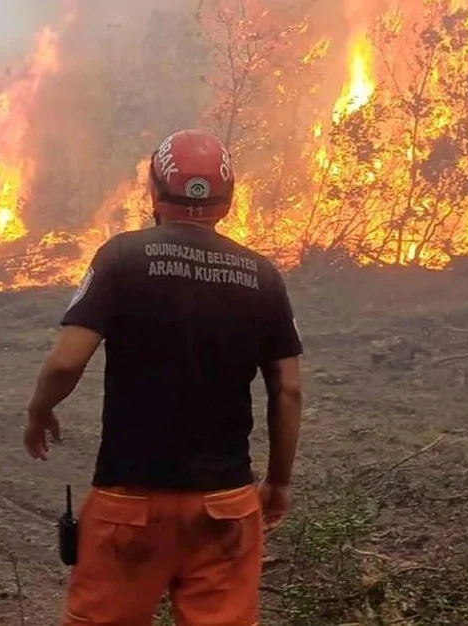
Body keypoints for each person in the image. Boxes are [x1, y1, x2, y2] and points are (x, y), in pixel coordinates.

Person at [24, 129, 304, 626]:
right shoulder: (262, 277)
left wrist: (39, 410)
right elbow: (288, 389)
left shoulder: (121, 258)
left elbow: (67, 362)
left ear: (153, 190)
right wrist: (278, 479)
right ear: (228, 199)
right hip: (225, 504)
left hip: (129, 506)